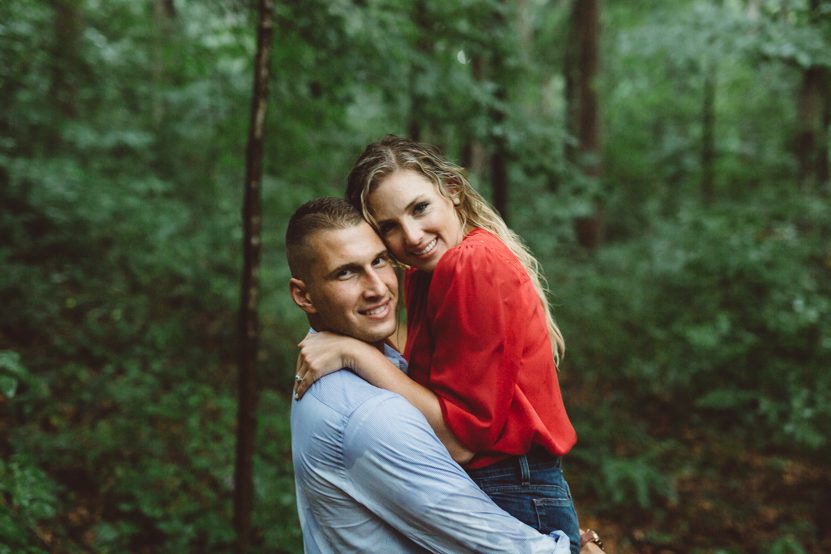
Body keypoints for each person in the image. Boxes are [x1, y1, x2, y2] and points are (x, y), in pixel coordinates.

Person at [293, 135, 582, 554]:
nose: (410, 236)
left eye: (419, 208)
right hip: (502, 481)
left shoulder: (472, 262)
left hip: (513, 483)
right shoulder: (427, 272)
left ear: (452, 190)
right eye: (388, 227)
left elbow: (464, 436)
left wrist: (352, 354)